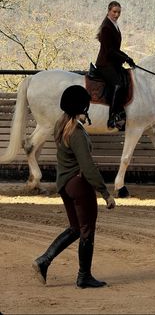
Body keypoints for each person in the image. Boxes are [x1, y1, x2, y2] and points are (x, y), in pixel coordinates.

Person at [32, 85, 116, 289]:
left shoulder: (61, 126)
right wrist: (105, 192)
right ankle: (84, 276)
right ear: (82, 106)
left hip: (65, 185)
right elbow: (87, 166)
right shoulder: (76, 132)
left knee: (75, 228)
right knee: (87, 230)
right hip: (79, 185)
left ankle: (44, 260)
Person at [95, 1, 135, 129]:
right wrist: (126, 57)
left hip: (113, 63)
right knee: (118, 84)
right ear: (108, 11)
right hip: (105, 63)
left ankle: (121, 112)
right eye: (114, 12)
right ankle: (112, 117)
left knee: (126, 80)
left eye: (119, 12)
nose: (117, 14)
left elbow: (115, 49)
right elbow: (110, 51)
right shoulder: (107, 27)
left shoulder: (113, 24)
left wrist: (126, 58)